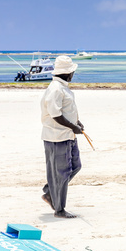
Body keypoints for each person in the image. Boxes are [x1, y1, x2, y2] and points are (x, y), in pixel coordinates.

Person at [40, 56, 84, 218]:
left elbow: (65, 111)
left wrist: (77, 123)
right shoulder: (56, 89)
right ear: (68, 73)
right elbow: (55, 114)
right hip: (57, 137)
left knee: (75, 166)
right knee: (62, 173)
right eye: (73, 71)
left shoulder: (62, 88)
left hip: (68, 134)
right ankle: (59, 209)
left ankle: (50, 191)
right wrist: (73, 127)